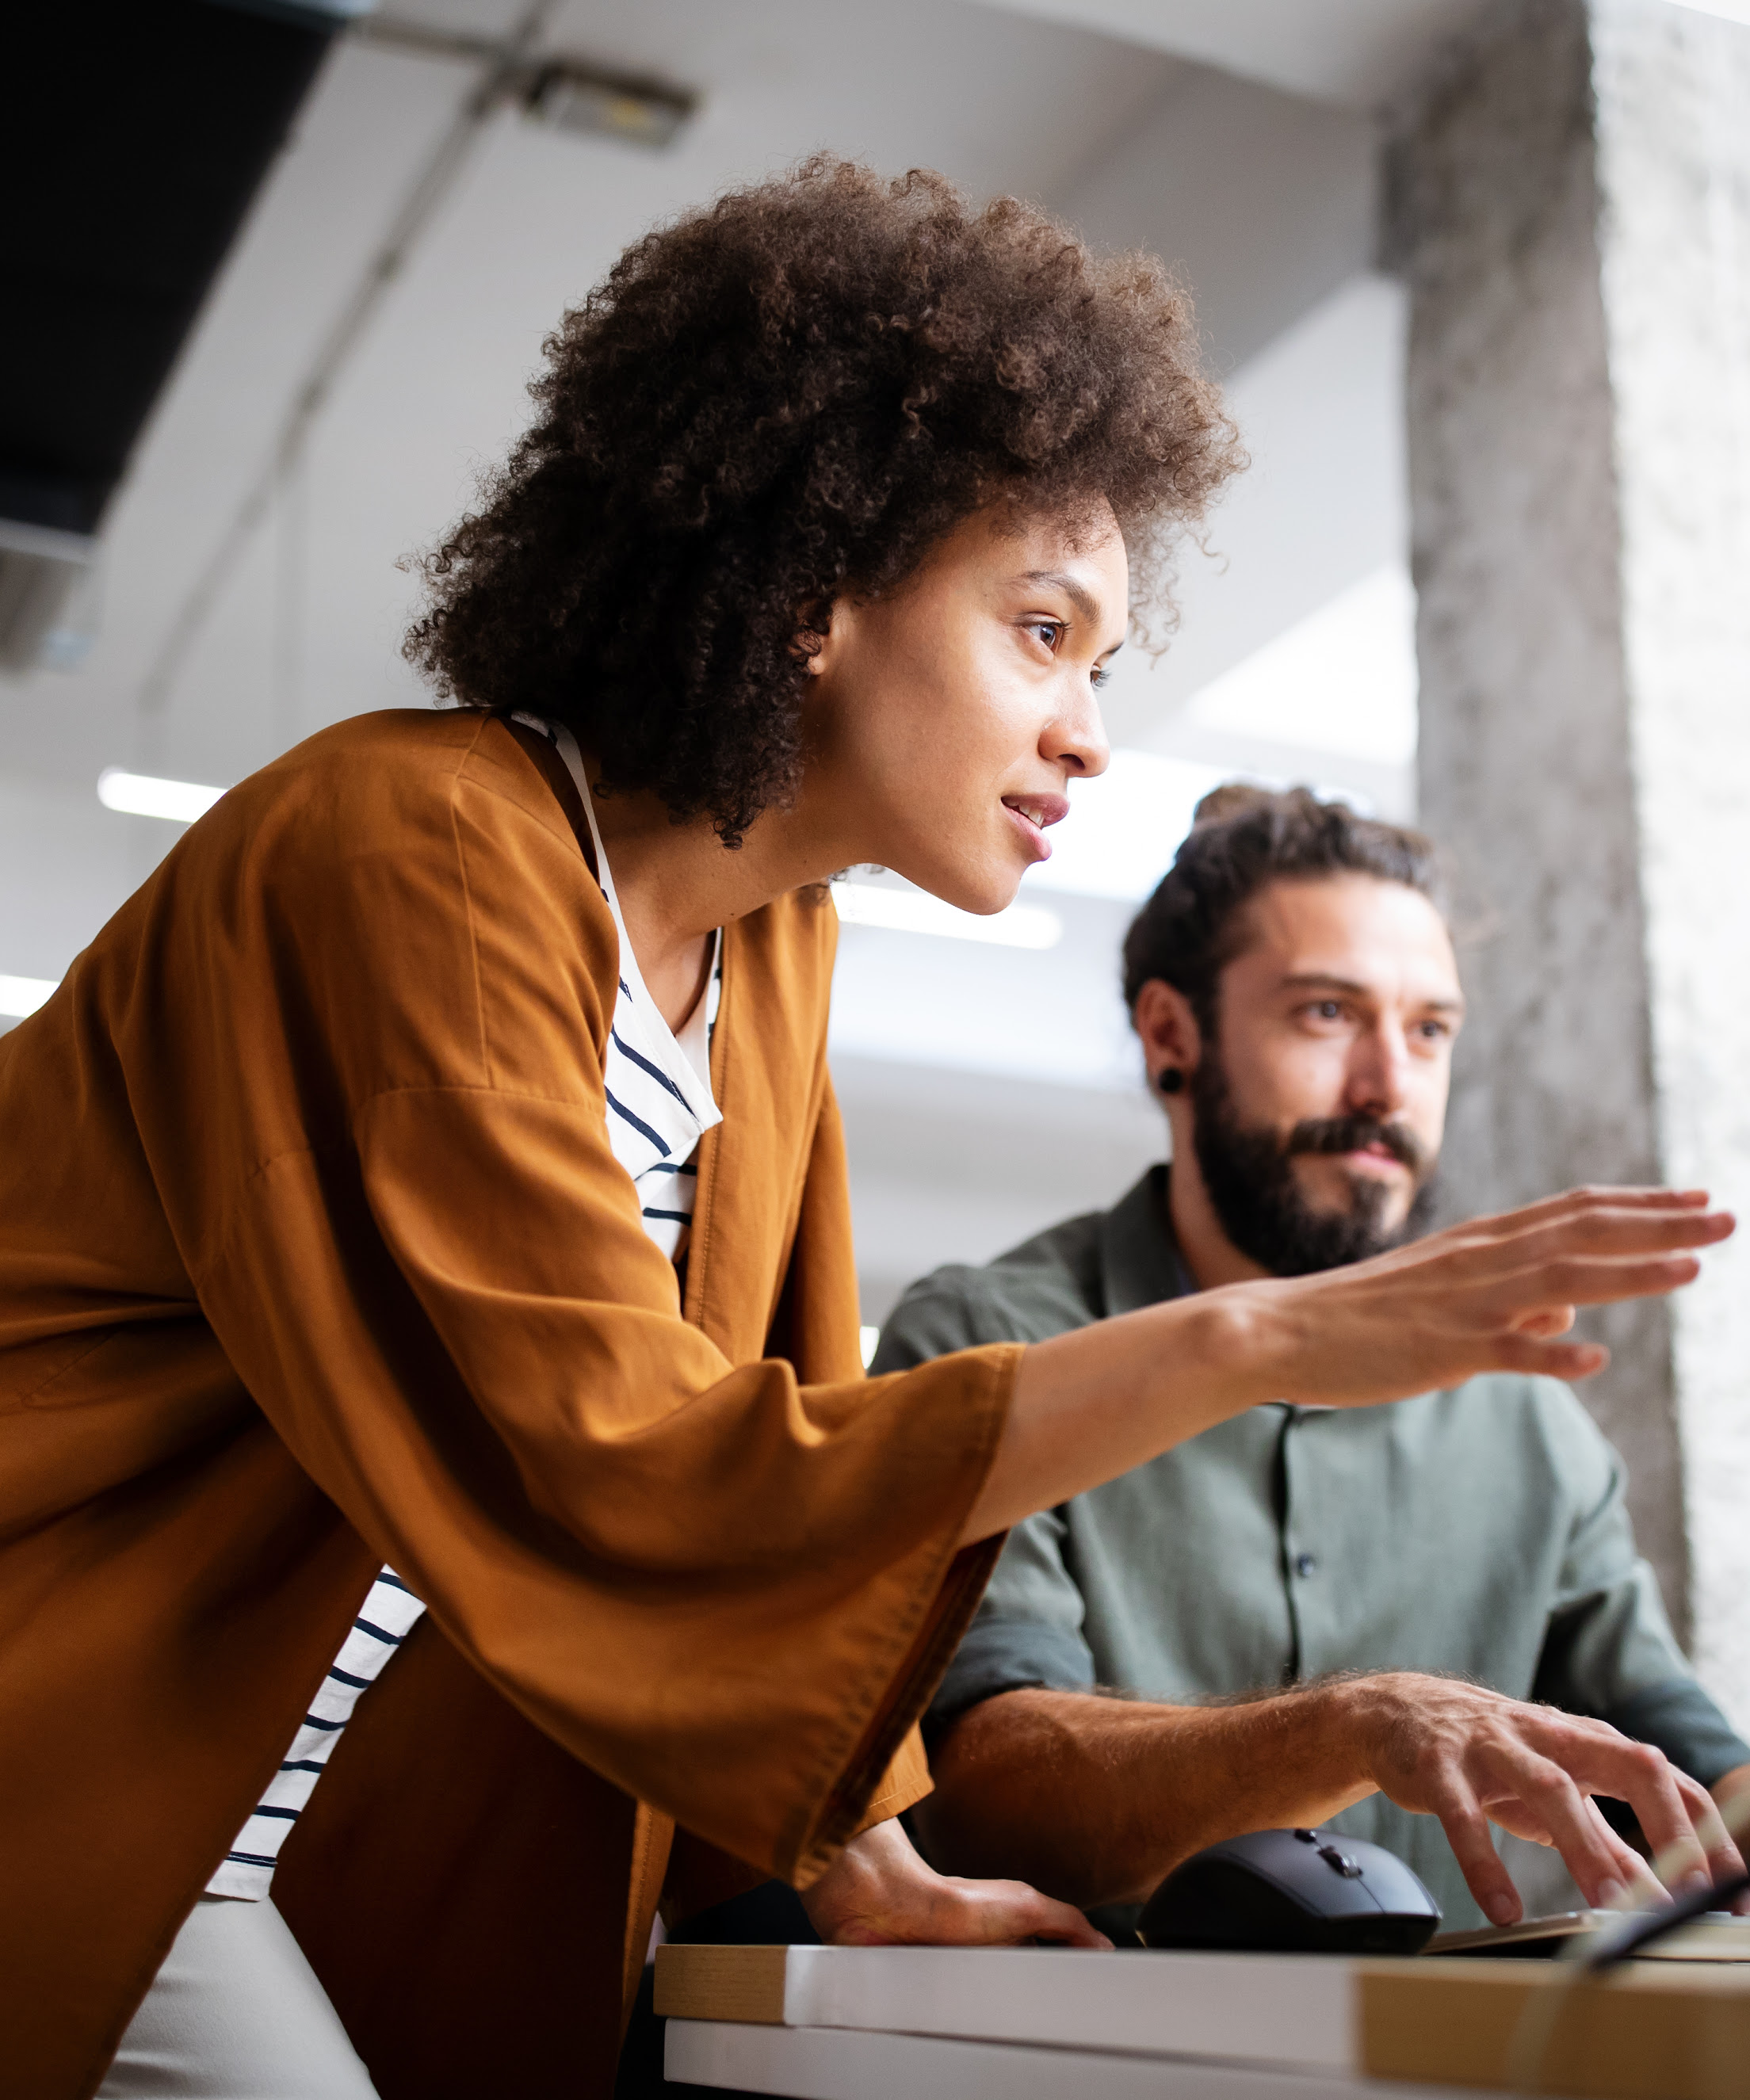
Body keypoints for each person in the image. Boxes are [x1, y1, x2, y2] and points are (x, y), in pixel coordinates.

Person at [0, 162, 1735, 2100]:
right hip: (59, 1741)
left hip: (223, 1825)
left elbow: (781, 1430)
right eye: (1043, 628)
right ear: (817, 585)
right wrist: (1261, 1339)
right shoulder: (410, 851)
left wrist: (872, 1870)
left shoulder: (771, 944)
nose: (1087, 728)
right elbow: (631, 1460)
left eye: (1104, 663)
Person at [869, 785, 1750, 1936]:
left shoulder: (1528, 1416)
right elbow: (988, 1798)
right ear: (1171, 1035)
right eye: (1328, 1014)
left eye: (1430, 1028)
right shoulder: (994, 1344)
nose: (1390, 1085)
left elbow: (1682, 1776)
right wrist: (1354, 1726)